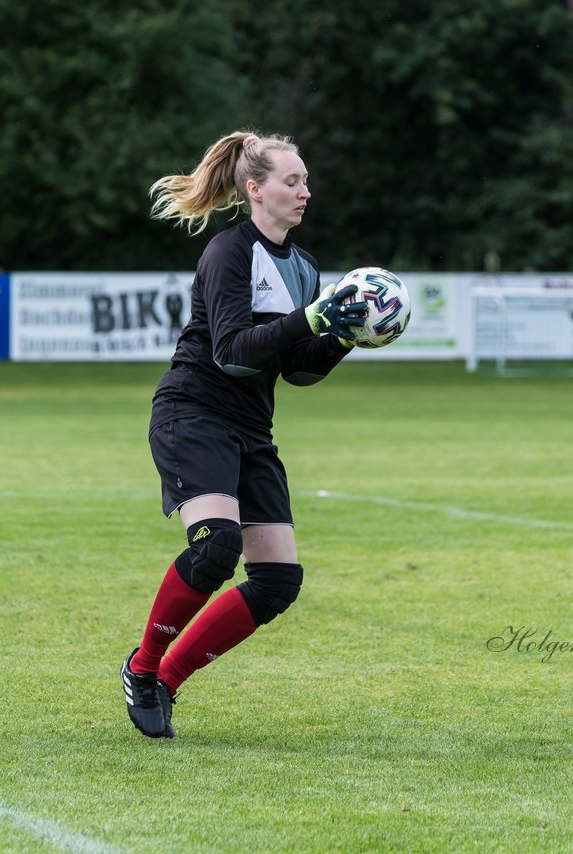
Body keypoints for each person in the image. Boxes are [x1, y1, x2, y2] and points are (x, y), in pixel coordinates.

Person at [120, 130, 368, 738]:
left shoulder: (305, 267)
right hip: (193, 411)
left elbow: (299, 369)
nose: (304, 191)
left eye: (305, 180)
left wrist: (343, 337)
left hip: (252, 429)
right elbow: (232, 352)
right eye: (292, 181)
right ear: (254, 190)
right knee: (216, 545)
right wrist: (311, 317)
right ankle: (142, 667)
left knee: (279, 580)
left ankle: (168, 681)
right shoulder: (229, 253)